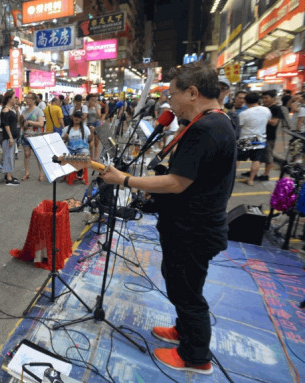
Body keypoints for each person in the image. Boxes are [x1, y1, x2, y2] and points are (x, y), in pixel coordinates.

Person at [100, 62, 236, 375]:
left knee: (186, 291)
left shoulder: (206, 128)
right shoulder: (213, 122)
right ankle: (184, 331)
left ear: (192, 92)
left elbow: (178, 182)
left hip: (193, 228)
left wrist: (125, 180)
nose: (168, 102)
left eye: (172, 95)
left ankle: (195, 356)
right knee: (184, 285)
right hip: (192, 224)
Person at [238, 92, 270, 186]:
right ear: (258, 100)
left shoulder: (244, 113)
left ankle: (230, 177)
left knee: (237, 158)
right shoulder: (266, 110)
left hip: (247, 138)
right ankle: (251, 180)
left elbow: (239, 125)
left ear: (245, 101)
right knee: (256, 160)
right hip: (260, 139)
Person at [258, 90, 283, 181]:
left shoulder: (276, 108)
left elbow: (274, 122)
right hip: (259, 135)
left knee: (268, 156)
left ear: (273, 98)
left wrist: (262, 118)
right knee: (258, 155)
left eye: (266, 98)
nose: (264, 100)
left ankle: (266, 174)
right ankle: (254, 171)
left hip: (269, 136)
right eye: (263, 98)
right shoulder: (262, 107)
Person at [20, 93, 45, 181]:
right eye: (27, 98)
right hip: (26, 136)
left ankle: (41, 174)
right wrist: (22, 128)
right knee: (26, 154)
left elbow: (41, 124)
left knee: (38, 155)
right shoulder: (24, 111)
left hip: (36, 136)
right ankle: (27, 173)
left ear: (34, 100)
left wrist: (30, 122)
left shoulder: (38, 111)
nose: (28, 100)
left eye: (30, 98)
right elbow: (21, 123)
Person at [0, 90, 20, 186]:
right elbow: (6, 125)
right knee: (8, 156)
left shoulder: (11, 109)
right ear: (9, 99)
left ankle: (9, 175)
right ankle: (8, 177)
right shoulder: (5, 110)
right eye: (13, 97)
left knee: (10, 156)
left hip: (13, 136)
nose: (15, 99)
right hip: (8, 137)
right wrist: (10, 137)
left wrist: (16, 111)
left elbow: (17, 121)